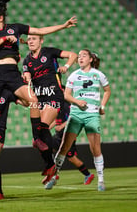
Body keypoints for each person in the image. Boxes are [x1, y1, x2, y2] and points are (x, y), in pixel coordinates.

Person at [0, 0, 77, 175]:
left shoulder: (16, 28)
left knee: (34, 100)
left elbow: (41, 29)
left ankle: (38, 139)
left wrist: (63, 26)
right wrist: (3, 40)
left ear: (0, 18)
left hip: (11, 73)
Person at [45, 50, 111, 191]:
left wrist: (103, 106)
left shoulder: (98, 74)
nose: (80, 58)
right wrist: (77, 101)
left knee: (95, 149)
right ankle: (53, 177)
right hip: (75, 115)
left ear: (91, 59)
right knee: (64, 147)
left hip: (92, 115)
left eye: (84, 56)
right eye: (79, 56)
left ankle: (100, 180)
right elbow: (66, 95)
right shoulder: (74, 75)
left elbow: (107, 90)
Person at [21, 34, 77, 184]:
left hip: (54, 96)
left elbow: (72, 55)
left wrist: (66, 66)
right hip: (39, 99)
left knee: (42, 128)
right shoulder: (26, 60)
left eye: (34, 38)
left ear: (41, 40)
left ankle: (52, 164)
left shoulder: (49, 52)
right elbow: (26, 75)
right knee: (38, 138)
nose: (31, 41)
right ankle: (51, 166)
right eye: (29, 39)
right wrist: (25, 78)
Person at [51, 99, 95, 185]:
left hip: (68, 135)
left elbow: (72, 118)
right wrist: (46, 128)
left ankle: (88, 175)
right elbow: (56, 121)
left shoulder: (66, 105)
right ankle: (54, 173)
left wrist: (61, 126)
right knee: (50, 147)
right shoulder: (57, 105)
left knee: (71, 158)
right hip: (59, 135)